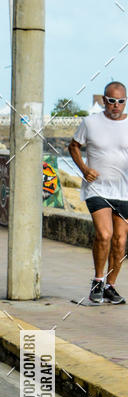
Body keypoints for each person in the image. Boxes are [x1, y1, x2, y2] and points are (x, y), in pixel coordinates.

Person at [69, 80, 128, 305]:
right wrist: (84, 169)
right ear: (104, 101)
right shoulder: (90, 122)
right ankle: (97, 280)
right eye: (111, 101)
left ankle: (110, 286)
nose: (116, 105)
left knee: (120, 242)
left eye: (120, 101)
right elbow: (73, 146)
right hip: (97, 189)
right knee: (104, 234)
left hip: (124, 191)